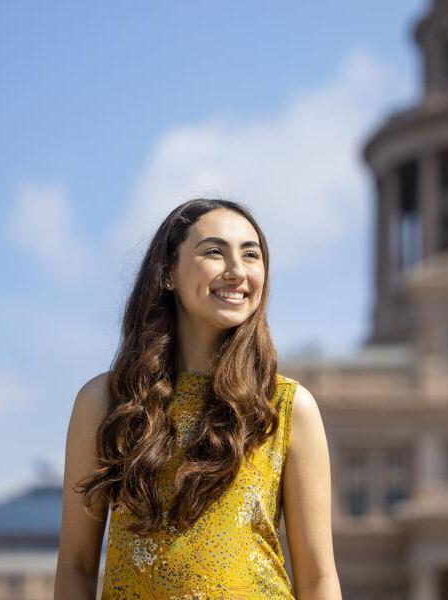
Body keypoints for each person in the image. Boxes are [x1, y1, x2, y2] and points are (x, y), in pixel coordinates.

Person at [54, 198, 341, 599]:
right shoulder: (106, 402)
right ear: (168, 272)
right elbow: (76, 567)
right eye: (214, 252)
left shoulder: (288, 407)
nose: (237, 271)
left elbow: (317, 579)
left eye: (251, 255)